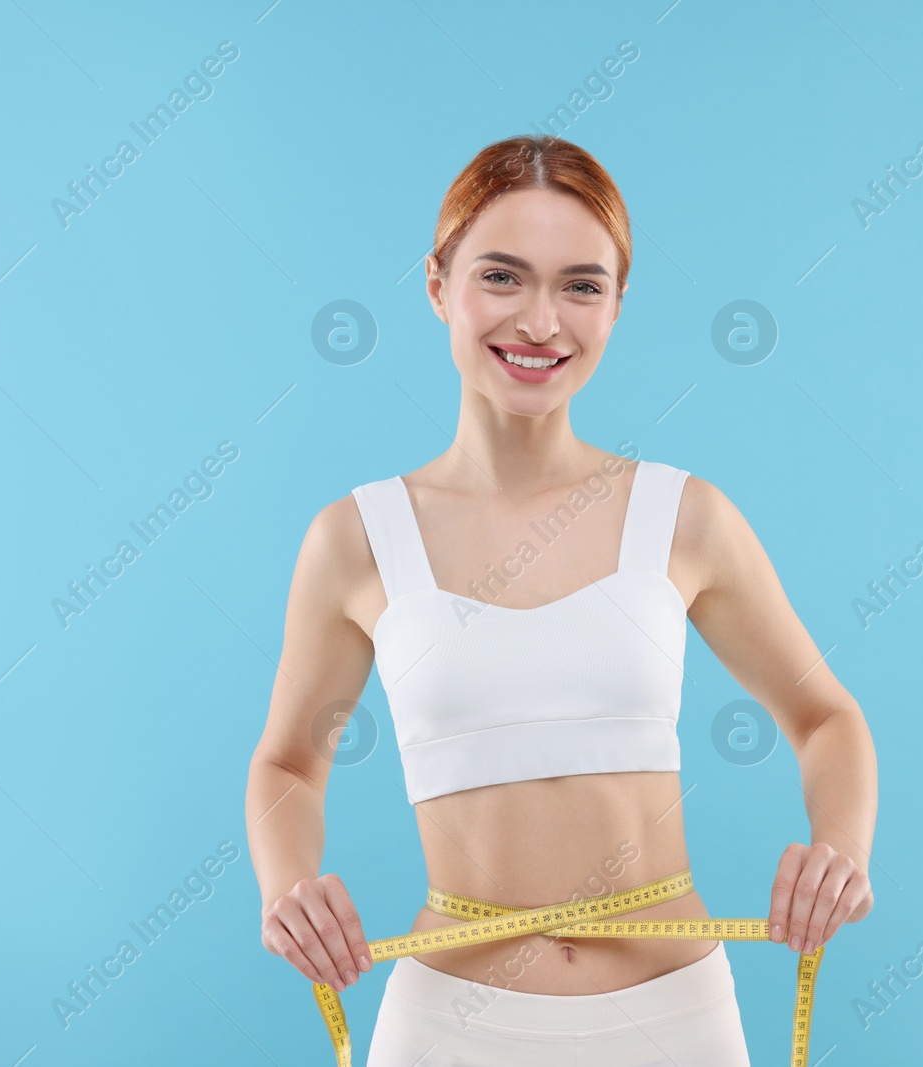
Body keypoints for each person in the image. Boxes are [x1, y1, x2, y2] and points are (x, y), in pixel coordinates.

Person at [245, 134, 878, 1065]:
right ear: (437, 284)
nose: (541, 321)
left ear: (618, 305)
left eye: (582, 285)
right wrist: (286, 883)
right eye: (502, 276)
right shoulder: (357, 539)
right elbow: (290, 761)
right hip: (449, 1022)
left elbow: (826, 716)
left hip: (676, 1018)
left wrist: (841, 849)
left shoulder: (684, 517)